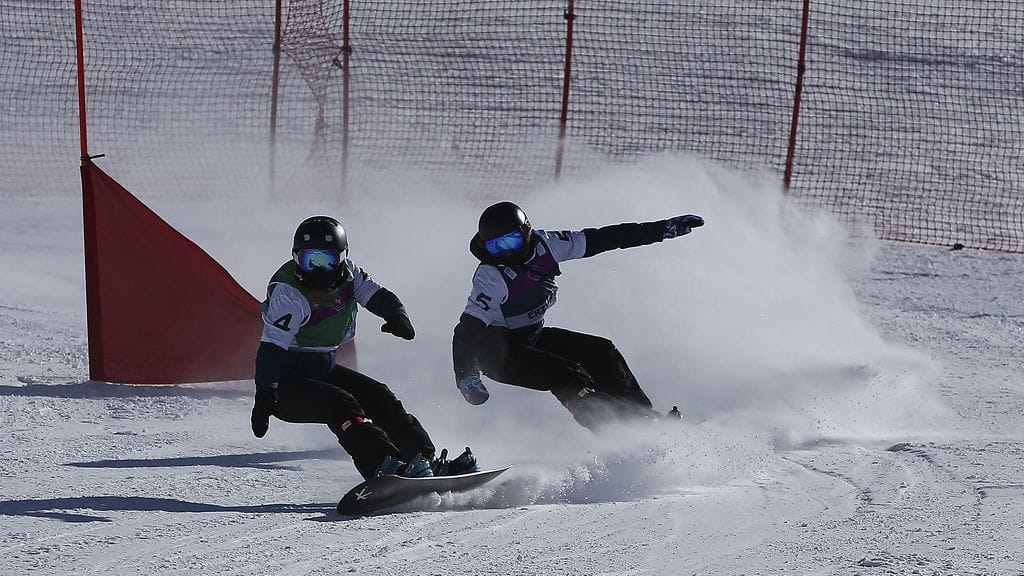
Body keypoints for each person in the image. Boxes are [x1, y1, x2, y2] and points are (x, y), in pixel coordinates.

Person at [251, 215, 478, 480]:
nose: (319, 270)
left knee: (380, 397)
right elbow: (272, 349)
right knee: (342, 405)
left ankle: (423, 460)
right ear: (296, 257)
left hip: (321, 369)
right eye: (310, 260)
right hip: (284, 383)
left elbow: (377, 294)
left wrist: (396, 314)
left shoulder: (350, 276)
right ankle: (382, 465)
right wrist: (264, 393)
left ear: (343, 257)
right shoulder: (289, 293)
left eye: (328, 260)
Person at [451, 202, 704, 431]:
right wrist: (465, 375)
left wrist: (661, 230)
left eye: (511, 242)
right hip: (497, 355)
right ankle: (620, 434)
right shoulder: (491, 276)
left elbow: (604, 238)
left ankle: (648, 422)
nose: (506, 254)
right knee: (566, 375)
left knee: (602, 352)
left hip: (530, 338)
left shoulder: (547, 245)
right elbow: (466, 329)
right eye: (496, 247)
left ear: (527, 232)